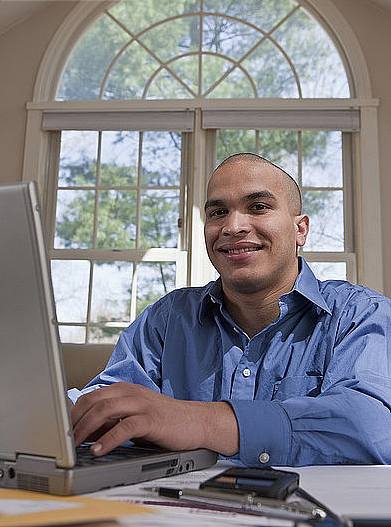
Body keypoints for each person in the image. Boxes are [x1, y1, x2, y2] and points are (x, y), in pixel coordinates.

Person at [69, 153, 391, 467]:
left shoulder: (361, 314)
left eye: (259, 207)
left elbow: (374, 425)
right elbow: (104, 406)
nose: (233, 226)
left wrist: (201, 422)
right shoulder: (165, 320)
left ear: (300, 230)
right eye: (218, 212)